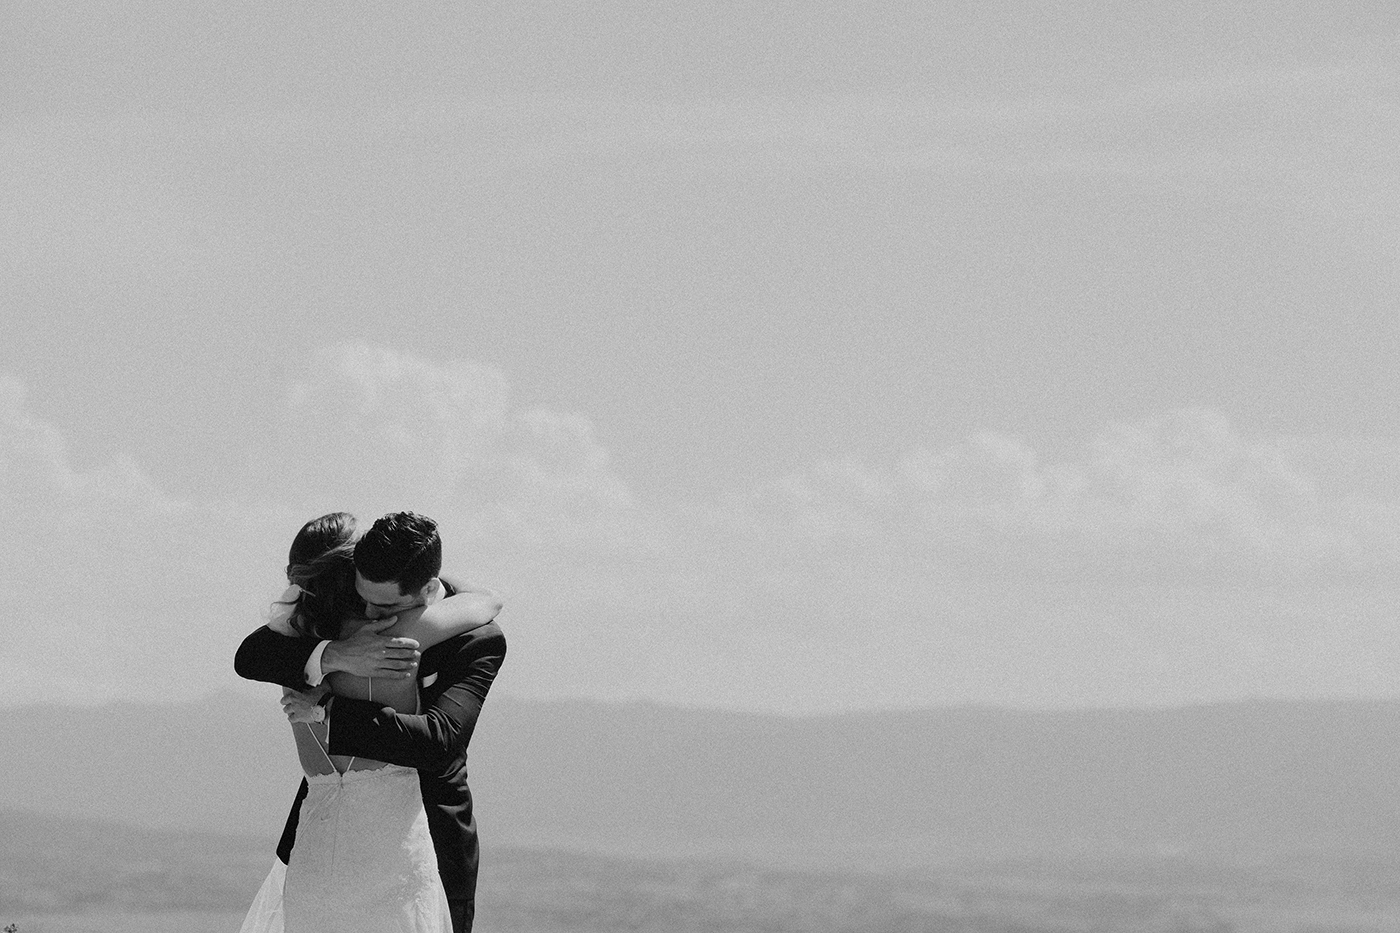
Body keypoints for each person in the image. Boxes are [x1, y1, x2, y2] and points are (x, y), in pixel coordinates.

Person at [236, 512, 507, 933]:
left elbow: (440, 741)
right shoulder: (364, 635)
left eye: (385, 604)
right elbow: (487, 599)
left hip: (394, 844)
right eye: (363, 595)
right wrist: (335, 656)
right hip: (361, 850)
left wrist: (326, 710)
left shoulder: (303, 630)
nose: (372, 612)